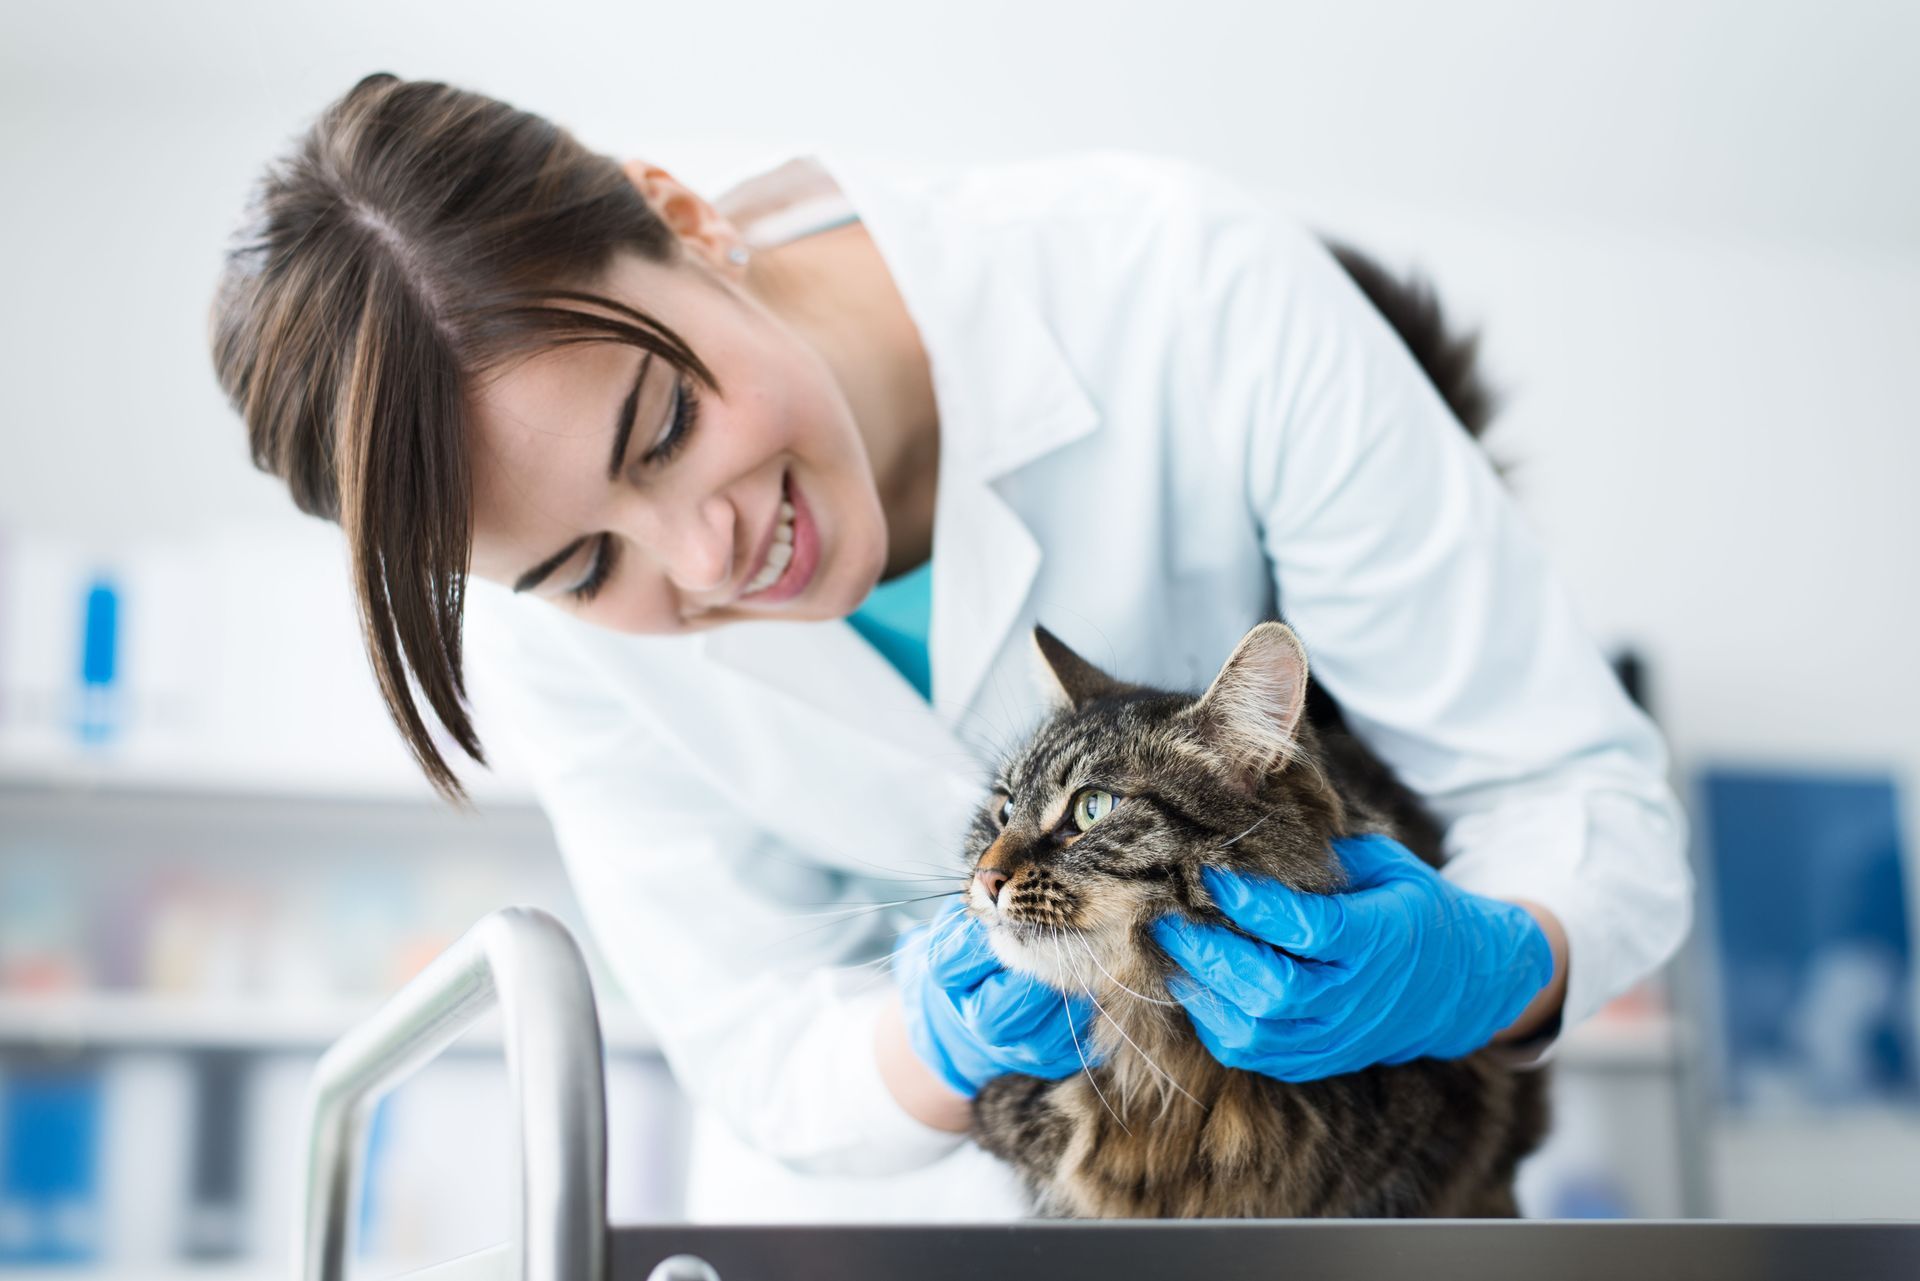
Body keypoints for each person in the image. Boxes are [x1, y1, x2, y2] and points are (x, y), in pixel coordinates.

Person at [208, 74, 1693, 1220]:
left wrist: (1479, 961)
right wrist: (931, 1039)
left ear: (688, 216)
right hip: (919, 1218)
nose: (709, 554)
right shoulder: (558, 648)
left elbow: (1573, 791)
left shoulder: (1176, 285)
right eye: (589, 560)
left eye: (663, 426)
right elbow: (757, 1033)